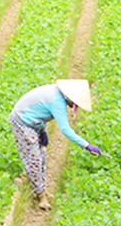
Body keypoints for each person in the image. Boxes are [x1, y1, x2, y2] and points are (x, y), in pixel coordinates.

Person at [10, 79, 101, 211]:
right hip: (22, 122)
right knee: (34, 159)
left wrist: (42, 131)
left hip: (34, 123)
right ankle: (41, 196)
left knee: (42, 156)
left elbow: (40, 111)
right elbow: (65, 129)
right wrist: (86, 145)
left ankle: (41, 189)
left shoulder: (57, 93)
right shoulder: (57, 101)